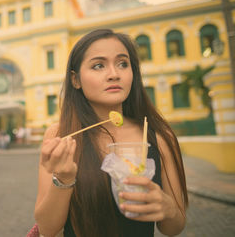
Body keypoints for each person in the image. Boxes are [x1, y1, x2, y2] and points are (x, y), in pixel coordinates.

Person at [33, 29, 188, 237]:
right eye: (98, 65)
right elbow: (48, 228)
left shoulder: (158, 137)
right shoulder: (62, 135)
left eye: (123, 63)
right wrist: (64, 177)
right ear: (75, 80)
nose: (114, 74)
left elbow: (174, 228)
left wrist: (168, 208)